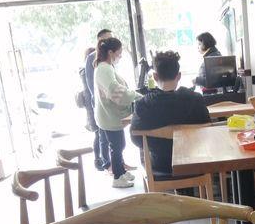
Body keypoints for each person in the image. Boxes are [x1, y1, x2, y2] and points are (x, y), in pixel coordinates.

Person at [131, 50, 210, 175]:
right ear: (179, 76)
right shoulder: (196, 100)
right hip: (194, 163)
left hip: (160, 167)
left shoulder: (143, 104)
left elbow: (136, 138)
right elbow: (207, 131)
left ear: (155, 76)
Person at [94, 37, 142, 188]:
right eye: (119, 53)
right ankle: (117, 177)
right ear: (110, 52)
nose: (120, 56)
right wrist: (137, 96)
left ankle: (121, 171)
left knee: (119, 145)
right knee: (117, 146)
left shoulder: (105, 67)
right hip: (109, 116)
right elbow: (115, 91)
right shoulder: (104, 68)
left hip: (108, 115)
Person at [85, 29, 111, 171]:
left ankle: (116, 163)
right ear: (100, 40)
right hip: (99, 102)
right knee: (101, 134)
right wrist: (100, 101)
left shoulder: (109, 56)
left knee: (113, 135)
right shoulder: (92, 58)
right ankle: (104, 163)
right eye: (107, 39)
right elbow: (91, 84)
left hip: (110, 102)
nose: (110, 41)